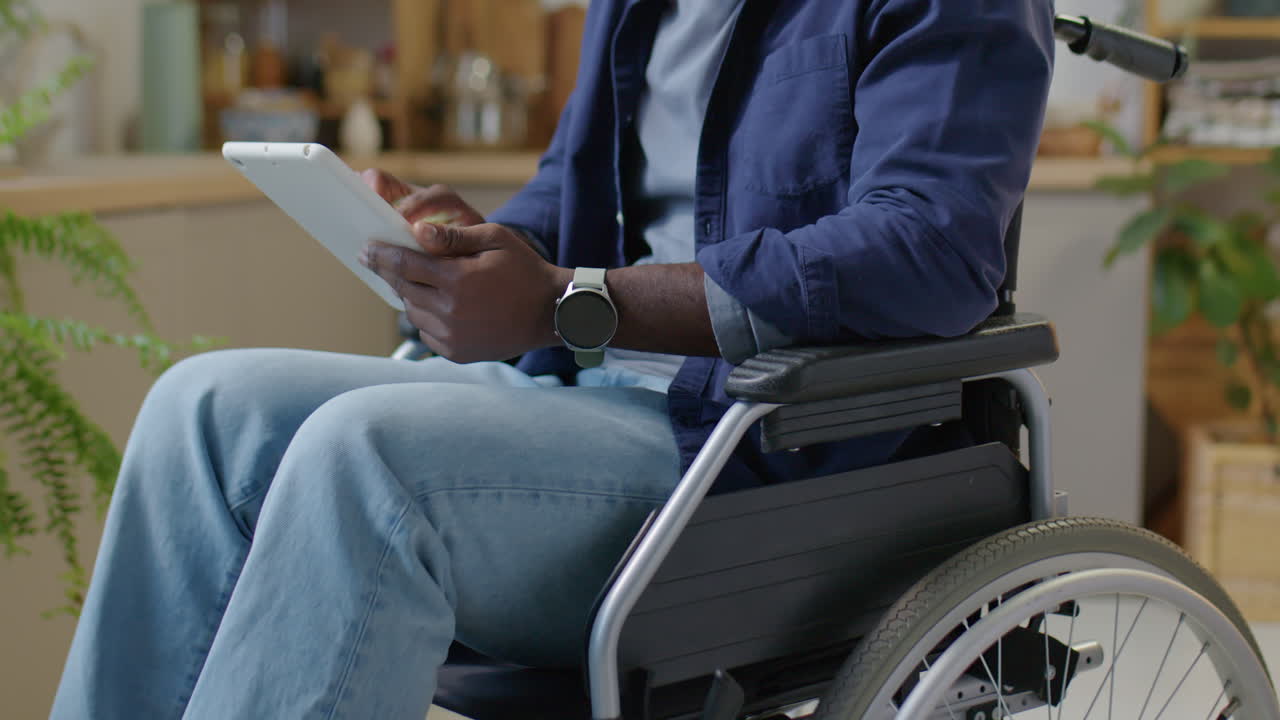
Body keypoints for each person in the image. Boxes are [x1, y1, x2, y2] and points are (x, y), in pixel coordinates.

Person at [51, 1, 1054, 718]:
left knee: (369, 459)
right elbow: (572, 198)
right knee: (202, 403)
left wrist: (568, 301)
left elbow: (928, 246)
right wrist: (470, 247)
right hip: (577, 388)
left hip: (754, 440)